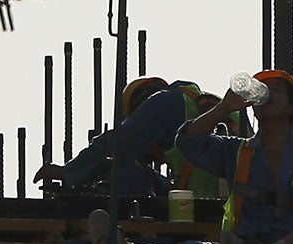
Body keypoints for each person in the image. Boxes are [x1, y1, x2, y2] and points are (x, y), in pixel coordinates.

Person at [174, 70, 293, 244]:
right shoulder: (237, 152)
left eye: (276, 90)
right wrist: (225, 107)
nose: (267, 94)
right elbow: (188, 143)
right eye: (264, 89)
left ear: (292, 108)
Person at [34, 76, 199, 200]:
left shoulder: (164, 103)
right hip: (216, 210)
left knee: (124, 170)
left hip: (215, 211)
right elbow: (151, 176)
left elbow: (117, 142)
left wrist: (68, 172)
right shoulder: (195, 106)